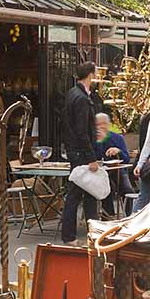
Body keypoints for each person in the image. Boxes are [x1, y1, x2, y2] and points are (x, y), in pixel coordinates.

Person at [60, 61, 99, 244]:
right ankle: (70, 236)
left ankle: (93, 233)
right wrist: (91, 157)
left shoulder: (72, 94)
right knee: (76, 193)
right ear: (90, 75)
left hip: (74, 150)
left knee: (86, 193)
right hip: (81, 153)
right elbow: (82, 130)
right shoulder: (82, 99)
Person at [95, 112, 131, 217]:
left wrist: (118, 151)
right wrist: (100, 141)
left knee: (127, 189)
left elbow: (126, 159)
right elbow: (94, 156)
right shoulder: (91, 138)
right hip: (98, 172)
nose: (101, 127)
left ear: (108, 124)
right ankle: (108, 216)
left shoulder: (117, 138)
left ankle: (131, 215)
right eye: (98, 124)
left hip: (117, 169)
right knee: (107, 188)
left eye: (104, 124)